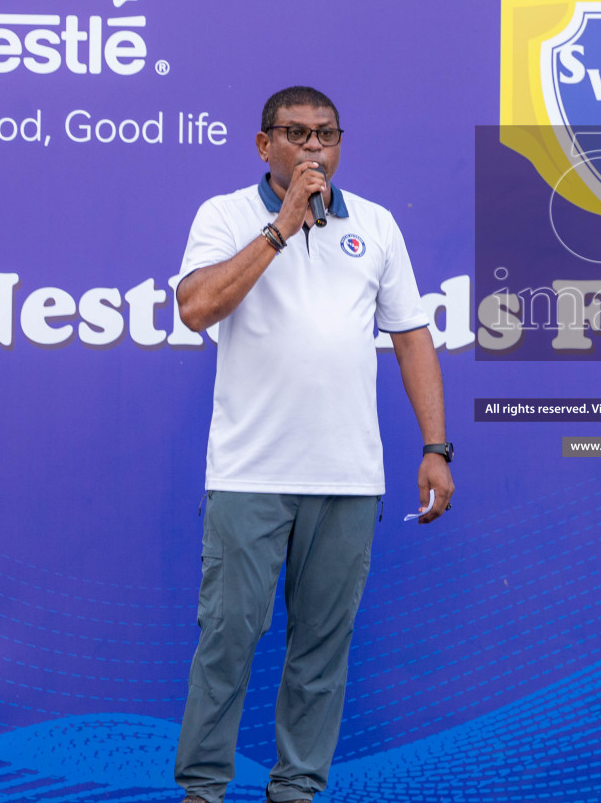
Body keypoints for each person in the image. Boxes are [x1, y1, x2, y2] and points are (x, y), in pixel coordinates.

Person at [171, 86, 454, 803]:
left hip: (348, 476)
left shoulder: (378, 225)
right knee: (227, 644)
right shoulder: (226, 216)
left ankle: (296, 791)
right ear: (264, 145)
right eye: (295, 133)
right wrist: (282, 227)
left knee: (320, 656)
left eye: (325, 134)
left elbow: (411, 336)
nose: (312, 147)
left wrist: (435, 446)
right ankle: (203, 790)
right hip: (250, 473)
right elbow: (197, 307)